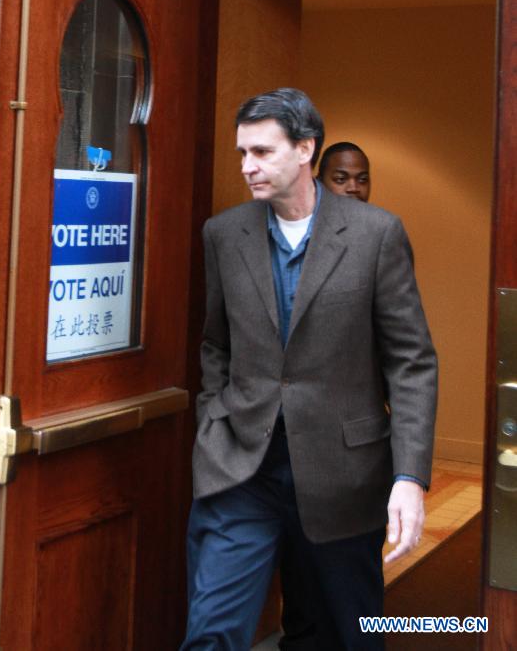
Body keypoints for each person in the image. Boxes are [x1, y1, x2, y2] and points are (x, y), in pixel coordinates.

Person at [181, 88, 437, 651]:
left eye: (262, 152)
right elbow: (216, 344)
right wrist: (213, 418)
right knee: (212, 631)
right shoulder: (224, 234)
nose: (247, 166)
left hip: (343, 476)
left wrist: (409, 477)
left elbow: (411, 361)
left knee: (341, 634)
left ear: (305, 149)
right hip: (242, 468)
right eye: (242, 152)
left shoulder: (376, 234)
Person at [281, 140, 371, 649]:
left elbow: (405, 358)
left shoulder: (382, 238)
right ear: (318, 178)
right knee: (302, 595)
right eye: (342, 177)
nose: (354, 187)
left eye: (362, 178)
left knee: (354, 599)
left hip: (356, 453)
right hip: (291, 450)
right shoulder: (290, 243)